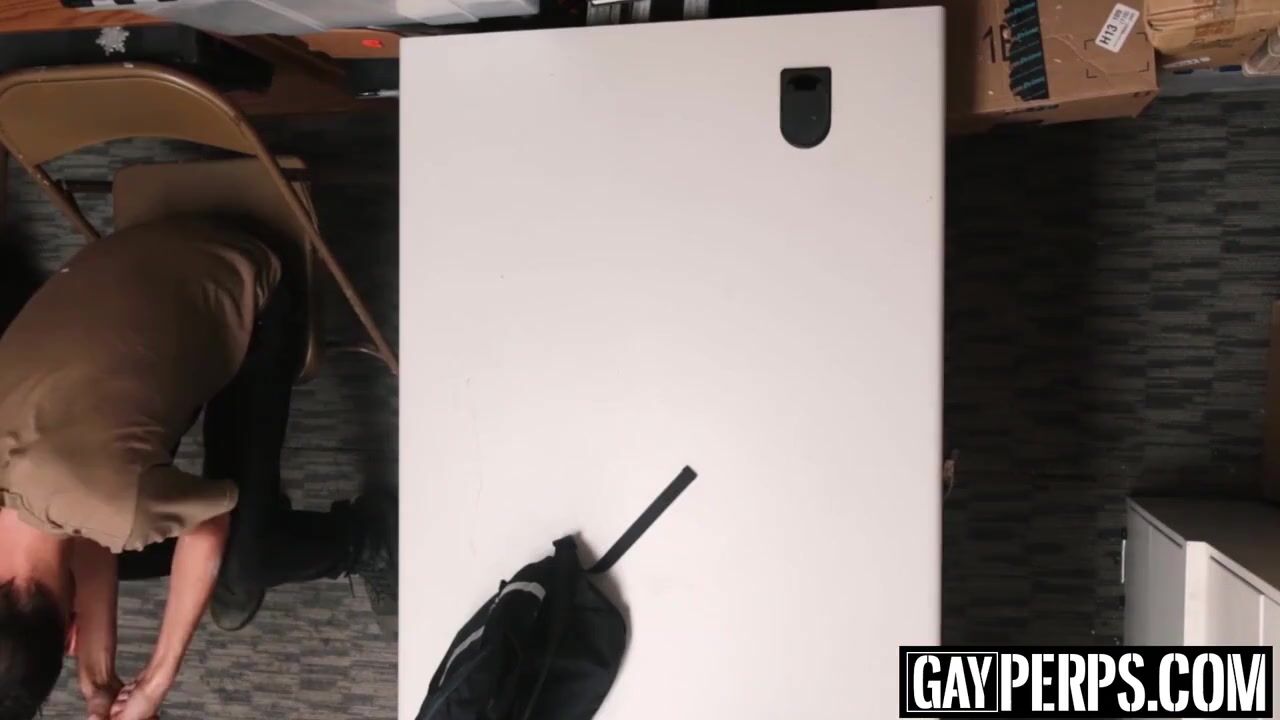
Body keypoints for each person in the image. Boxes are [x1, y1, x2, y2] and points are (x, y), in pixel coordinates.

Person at [0, 215, 395, 720]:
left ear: (71, 635)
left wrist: (156, 682)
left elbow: (208, 526)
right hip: (127, 258)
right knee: (142, 547)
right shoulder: (63, 510)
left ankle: (371, 536)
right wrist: (98, 682)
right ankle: (262, 524)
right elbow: (86, 529)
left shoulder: (110, 507)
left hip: (244, 279)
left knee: (242, 561)